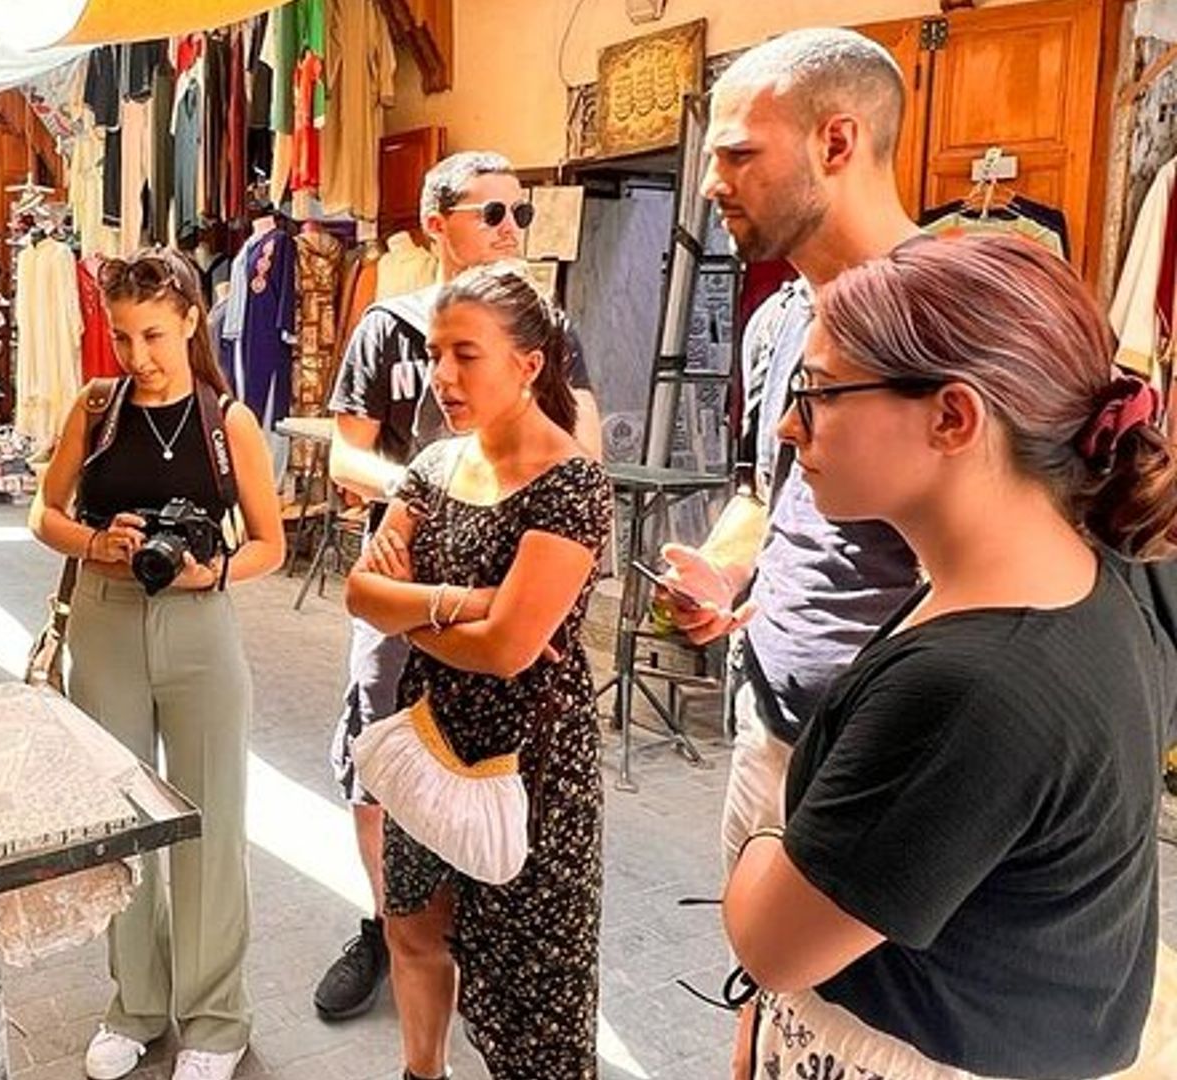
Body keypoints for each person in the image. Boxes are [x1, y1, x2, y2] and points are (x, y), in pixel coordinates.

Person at [724, 233, 1177, 1078]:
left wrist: (764, 836)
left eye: (817, 393)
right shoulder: (1091, 566)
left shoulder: (970, 686)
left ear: (953, 416)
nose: (788, 425)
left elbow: (773, 944)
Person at [313, 149, 603, 1021]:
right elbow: (343, 459)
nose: (513, 228)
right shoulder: (388, 326)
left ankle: (467, 951)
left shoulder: (552, 333)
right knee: (384, 752)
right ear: (439, 222)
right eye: (493, 212)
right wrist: (428, 496)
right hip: (413, 581)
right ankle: (384, 925)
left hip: (500, 658)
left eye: (520, 211)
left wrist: (447, 575)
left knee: (524, 933)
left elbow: (575, 461)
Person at [655, 28, 924, 870]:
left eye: (737, 154)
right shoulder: (776, 323)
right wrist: (722, 572)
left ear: (835, 141)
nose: (709, 184)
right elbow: (765, 494)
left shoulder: (955, 320)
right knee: (765, 989)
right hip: (768, 722)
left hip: (899, 763)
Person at [27, 248, 285, 1080]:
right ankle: (135, 1005)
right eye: (124, 335)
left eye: (155, 335)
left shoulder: (228, 420)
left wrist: (210, 569)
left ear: (191, 321)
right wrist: (95, 541)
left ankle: (216, 1019)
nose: (139, 356)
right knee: (122, 825)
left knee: (210, 825)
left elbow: (271, 546)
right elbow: (44, 512)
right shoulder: (95, 409)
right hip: (104, 623)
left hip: (200, 628)